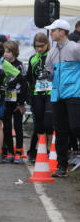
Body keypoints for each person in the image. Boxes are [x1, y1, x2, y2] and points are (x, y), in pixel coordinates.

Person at [44, 19, 80, 177]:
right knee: (60, 131)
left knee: (75, 127)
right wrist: (48, 75)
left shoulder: (75, 48)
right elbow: (49, 71)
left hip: (74, 93)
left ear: (62, 32)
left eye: (53, 30)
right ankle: (61, 166)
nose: (51, 33)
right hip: (56, 95)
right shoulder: (51, 51)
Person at [26, 33, 54, 162]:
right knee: (39, 124)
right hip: (37, 94)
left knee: (49, 123)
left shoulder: (52, 55)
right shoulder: (33, 58)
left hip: (50, 94)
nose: (39, 49)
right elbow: (29, 78)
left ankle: (51, 151)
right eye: (37, 46)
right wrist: (29, 95)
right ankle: (36, 152)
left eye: (42, 46)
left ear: (47, 44)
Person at [2, 40, 27, 164]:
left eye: (8, 52)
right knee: (6, 127)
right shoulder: (2, 65)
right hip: (6, 101)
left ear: (14, 52)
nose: (5, 54)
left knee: (18, 127)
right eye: (4, 52)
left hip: (17, 101)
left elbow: (23, 83)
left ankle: (18, 152)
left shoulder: (19, 65)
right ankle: (10, 152)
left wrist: (22, 103)